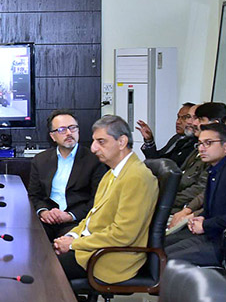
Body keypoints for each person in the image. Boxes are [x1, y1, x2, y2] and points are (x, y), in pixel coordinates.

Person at [53, 115, 158, 284]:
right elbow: (91, 218)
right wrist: (71, 235)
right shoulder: (111, 172)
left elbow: (123, 235)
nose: (93, 148)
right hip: (92, 247)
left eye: (101, 142)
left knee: (45, 268)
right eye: (94, 141)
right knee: (43, 258)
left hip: (110, 257)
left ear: (122, 142)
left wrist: (74, 244)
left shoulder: (137, 177)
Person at [165, 123, 226, 266]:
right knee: (160, 248)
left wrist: (205, 224)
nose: (201, 148)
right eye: (200, 143)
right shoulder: (216, 169)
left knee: (165, 259)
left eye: (208, 143)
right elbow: (215, 208)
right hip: (213, 233)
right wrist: (200, 218)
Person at [28, 110, 106, 241]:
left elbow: (98, 199)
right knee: (31, 244)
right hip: (47, 219)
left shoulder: (95, 160)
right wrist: (43, 211)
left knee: (63, 251)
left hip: (77, 220)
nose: (69, 133)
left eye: (73, 128)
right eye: (62, 129)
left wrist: (70, 215)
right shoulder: (40, 160)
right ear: (52, 136)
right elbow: (34, 195)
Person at [170, 112, 226, 223]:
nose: (223, 132)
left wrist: (193, 215)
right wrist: (189, 210)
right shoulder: (224, 159)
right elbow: (208, 194)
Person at [167, 102, 226, 229]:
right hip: (179, 207)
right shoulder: (195, 148)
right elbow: (182, 175)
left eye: (199, 119)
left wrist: (168, 200)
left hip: (188, 212)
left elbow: (201, 190)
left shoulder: (221, 158)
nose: (194, 123)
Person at [136, 102, 196, 167]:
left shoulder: (195, 144)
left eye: (184, 118)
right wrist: (149, 140)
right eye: (178, 117)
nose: (178, 121)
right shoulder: (176, 138)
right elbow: (156, 159)